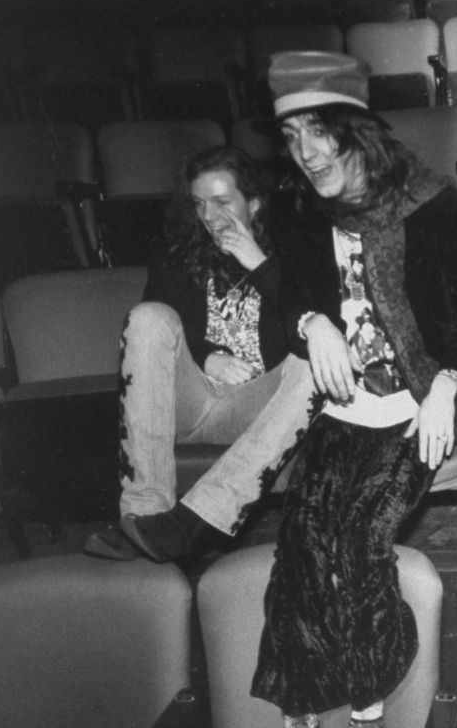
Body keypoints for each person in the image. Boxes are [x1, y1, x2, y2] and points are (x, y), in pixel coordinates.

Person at [249, 51, 457, 728]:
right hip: (341, 405)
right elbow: (290, 292)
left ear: (354, 128)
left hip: (418, 400)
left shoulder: (433, 205)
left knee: (361, 535)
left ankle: (373, 676)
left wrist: (444, 390)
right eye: (290, 136)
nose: (305, 154)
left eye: (317, 131)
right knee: (305, 534)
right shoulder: (301, 209)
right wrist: (312, 323)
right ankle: (306, 692)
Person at [83, 145, 316, 562]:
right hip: (188, 400)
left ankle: (194, 522)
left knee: (316, 357)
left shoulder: (294, 252)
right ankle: (144, 517)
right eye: (199, 203)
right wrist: (209, 357)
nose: (208, 216)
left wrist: (256, 262)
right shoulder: (175, 250)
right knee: (148, 316)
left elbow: (306, 319)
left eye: (222, 202)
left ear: (256, 205)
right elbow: (161, 325)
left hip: (254, 407)